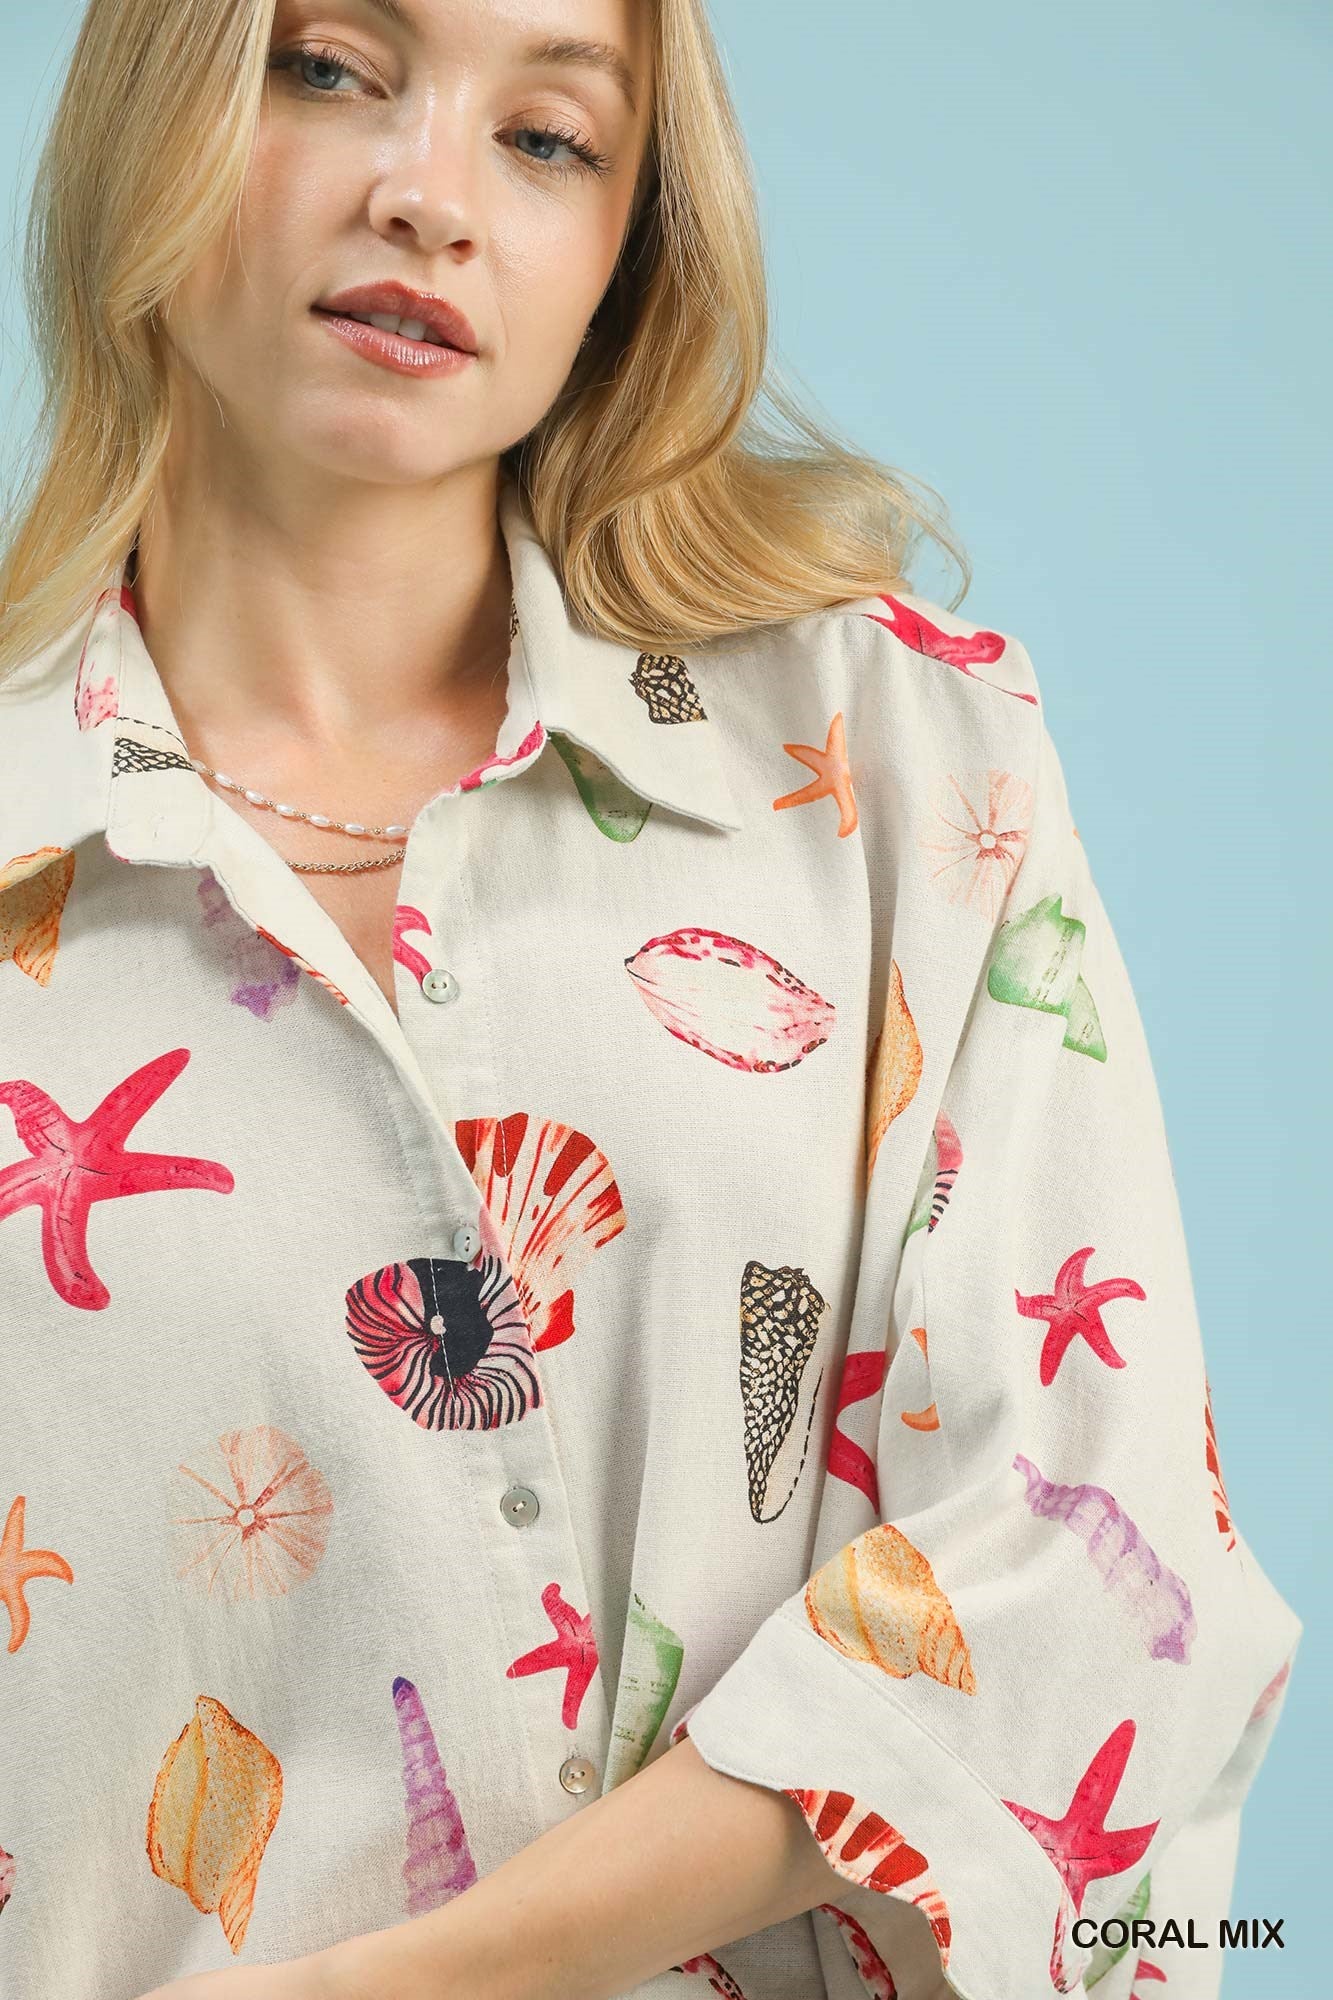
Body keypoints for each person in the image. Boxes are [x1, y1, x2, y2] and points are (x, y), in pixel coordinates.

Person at [0, 0, 1302, 1996]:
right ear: (151, 113)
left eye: (548, 137)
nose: (428, 197)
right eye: (331, 67)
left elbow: (1096, 1569)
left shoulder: (892, 752)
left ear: (628, 246)